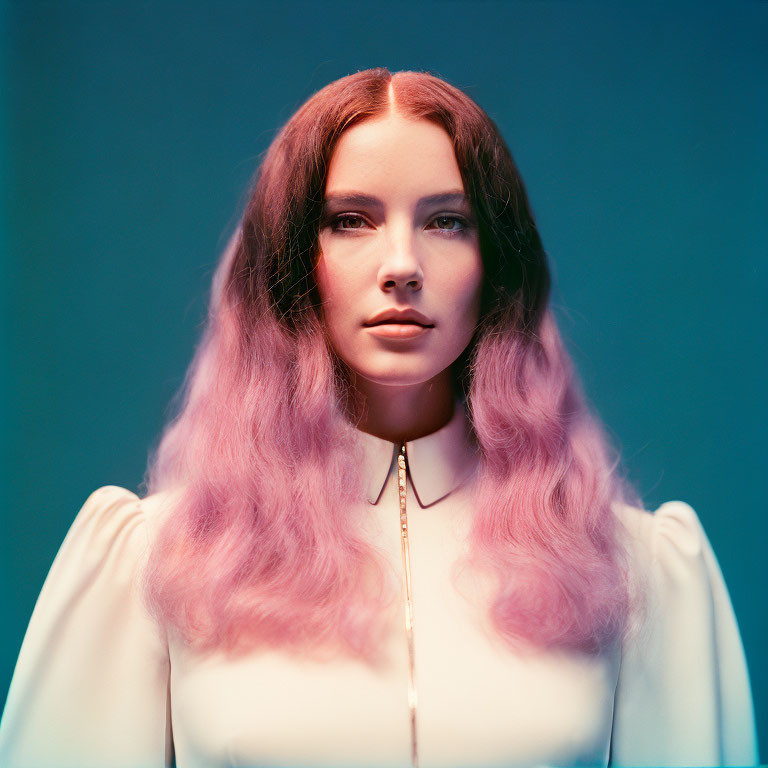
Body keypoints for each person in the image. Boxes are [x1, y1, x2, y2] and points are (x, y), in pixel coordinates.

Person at [0, 67, 758, 768]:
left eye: (448, 221)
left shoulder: (632, 573)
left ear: (497, 263)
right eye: (350, 220)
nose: (402, 264)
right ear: (292, 261)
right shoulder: (155, 564)